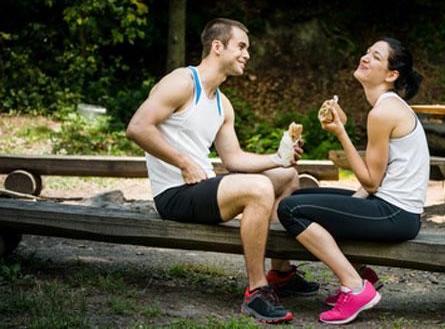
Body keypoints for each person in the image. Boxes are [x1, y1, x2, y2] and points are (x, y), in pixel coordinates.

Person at [126, 18, 318, 324]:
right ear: (217, 47)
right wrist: (183, 162)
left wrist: (278, 158)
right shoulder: (182, 82)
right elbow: (136, 128)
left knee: (287, 178)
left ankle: (281, 271)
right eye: (241, 46)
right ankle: (256, 291)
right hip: (174, 195)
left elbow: (234, 159)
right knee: (258, 189)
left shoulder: (221, 104)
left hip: (202, 187)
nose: (247, 55)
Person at [277, 37, 430, 325]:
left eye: (376, 55)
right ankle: (362, 272)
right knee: (297, 199)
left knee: (290, 210)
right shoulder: (388, 106)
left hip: (397, 214)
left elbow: (372, 181)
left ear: (391, 74)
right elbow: (381, 177)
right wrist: (349, 205)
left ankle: (356, 287)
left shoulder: (383, 112)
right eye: (367, 51)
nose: (365, 57)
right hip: (390, 206)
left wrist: (341, 133)